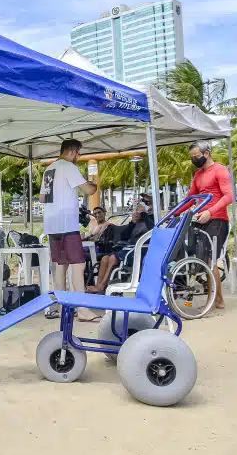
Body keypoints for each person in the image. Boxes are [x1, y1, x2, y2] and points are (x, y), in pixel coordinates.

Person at [39, 138, 100, 321]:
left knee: (60, 265)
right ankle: (82, 310)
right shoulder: (68, 166)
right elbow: (88, 190)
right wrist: (93, 183)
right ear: (73, 152)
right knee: (78, 265)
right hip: (66, 223)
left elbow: (42, 198)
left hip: (52, 224)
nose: (78, 157)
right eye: (79, 154)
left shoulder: (49, 170)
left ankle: (62, 307)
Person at [175, 140, 233, 310]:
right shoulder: (198, 175)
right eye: (192, 157)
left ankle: (215, 300)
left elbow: (229, 196)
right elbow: (191, 199)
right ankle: (216, 298)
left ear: (207, 153)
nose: (194, 160)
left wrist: (211, 211)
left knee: (210, 260)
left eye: (196, 156)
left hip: (217, 220)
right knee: (198, 259)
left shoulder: (220, 170)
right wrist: (175, 212)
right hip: (201, 219)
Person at [87, 195, 154, 293]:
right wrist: (133, 223)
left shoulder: (153, 217)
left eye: (147, 203)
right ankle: (98, 286)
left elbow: (153, 229)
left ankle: (102, 286)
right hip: (130, 248)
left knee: (112, 258)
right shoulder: (139, 219)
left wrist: (144, 215)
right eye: (143, 202)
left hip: (143, 249)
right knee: (105, 258)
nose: (144, 205)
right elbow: (124, 236)